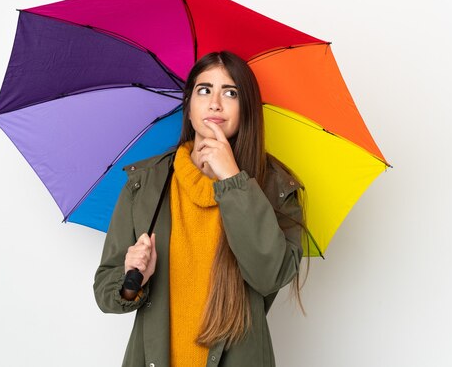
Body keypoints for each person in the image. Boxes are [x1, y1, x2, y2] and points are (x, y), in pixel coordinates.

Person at [94, 51, 305, 367]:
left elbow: (269, 275)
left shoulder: (276, 188)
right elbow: (105, 290)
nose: (215, 103)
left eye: (230, 92)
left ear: (246, 108)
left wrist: (233, 180)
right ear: (189, 105)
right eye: (204, 90)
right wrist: (131, 278)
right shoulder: (144, 184)